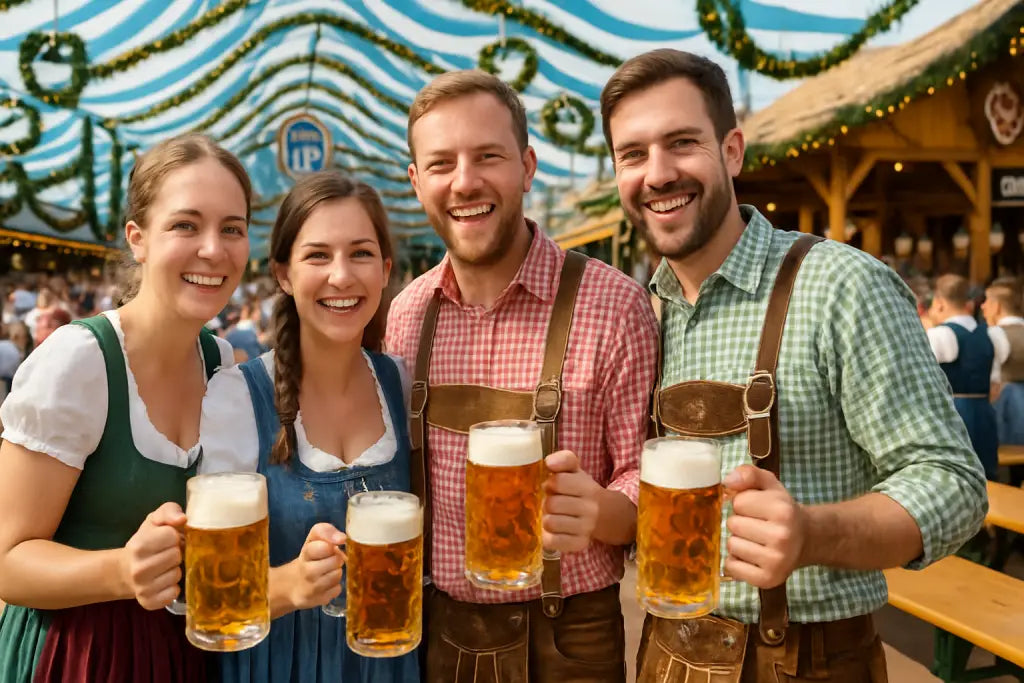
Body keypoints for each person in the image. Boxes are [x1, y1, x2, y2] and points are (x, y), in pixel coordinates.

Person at [600, 49, 987, 682]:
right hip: (665, 655)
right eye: (633, 154)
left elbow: (953, 483)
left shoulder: (840, 285)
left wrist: (812, 533)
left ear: (732, 151)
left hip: (807, 662)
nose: (658, 173)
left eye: (682, 143)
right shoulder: (640, 314)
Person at [386, 70, 659, 682]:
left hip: (571, 636)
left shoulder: (614, 306)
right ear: (415, 182)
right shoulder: (406, 316)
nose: (465, 182)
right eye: (440, 164)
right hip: (436, 633)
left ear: (527, 166)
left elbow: (648, 475)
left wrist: (604, 511)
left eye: (488, 156)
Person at [0, 133, 249, 682]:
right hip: (79, 654)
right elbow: (6, 562)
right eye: (186, 225)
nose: (214, 248)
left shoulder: (221, 361)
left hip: (185, 651)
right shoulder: (80, 360)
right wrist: (121, 569)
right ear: (138, 238)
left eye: (232, 227)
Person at [200, 171, 419, 683]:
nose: (342, 276)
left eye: (361, 254)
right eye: (318, 256)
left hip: (389, 663)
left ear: (386, 270)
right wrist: (287, 586)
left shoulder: (402, 384)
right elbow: (199, 594)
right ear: (282, 274)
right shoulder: (236, 396)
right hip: (276, 665)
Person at [927, 274, 1002, 479]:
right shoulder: (992, 334)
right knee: (987, 476)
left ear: (940, 303)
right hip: (986, 413)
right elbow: (996, 384)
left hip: (952, 414)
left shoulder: (939, 335)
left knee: (954, 478)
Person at [982, 276, 1024, 487]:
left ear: (997, 306)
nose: (983, 306)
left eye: (987, 301)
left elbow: (990, 379)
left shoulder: (994, 334)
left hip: (1005, 403)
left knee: (1004, 463)